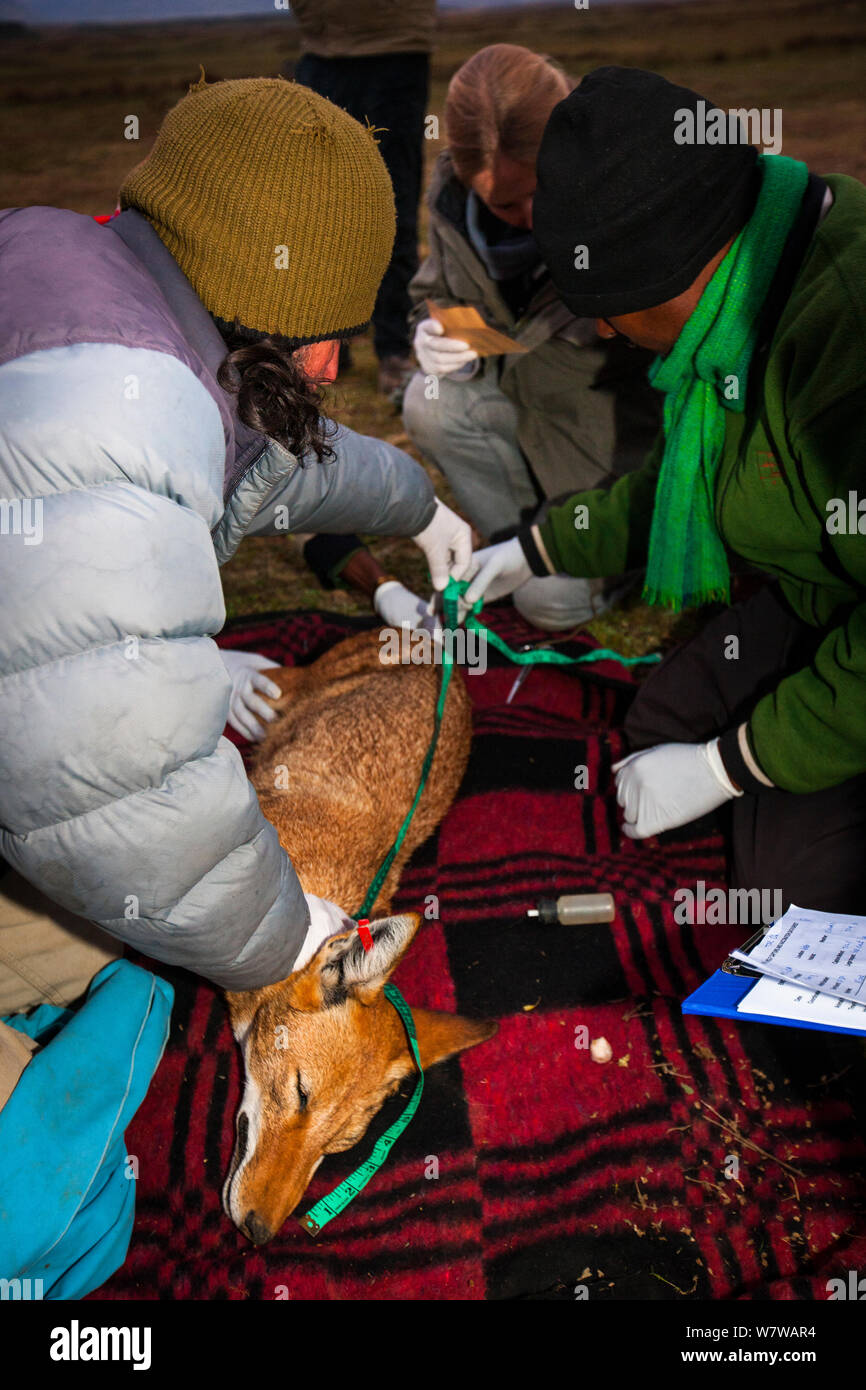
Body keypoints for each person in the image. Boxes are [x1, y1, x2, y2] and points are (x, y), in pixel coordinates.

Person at [0, 75, 472, 997]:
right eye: (323, 335)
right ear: (253, 297)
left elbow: (275, 458)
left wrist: (419, 505)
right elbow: (123, 795)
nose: (336, 368)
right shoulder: (118, 415)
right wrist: (287, 937)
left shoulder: (83, 271)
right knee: (113, 960)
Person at [464, 66, 866, 913]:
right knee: (658, 729)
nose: (603, 328)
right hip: (821, 595)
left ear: (674, 267)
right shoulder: (747, 284)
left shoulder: (842, 347)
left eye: (607, 305)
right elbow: (696, 482)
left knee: (795, 901)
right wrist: (536, 547)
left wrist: (735, 765)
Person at [401, 44, 661, 631]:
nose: (528, 216)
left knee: (546, 605)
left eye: (540, 189)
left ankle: (629, 560)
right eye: (503, 203)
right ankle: (517, 547)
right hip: (521, 423)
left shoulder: (634, 188)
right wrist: (433, 336)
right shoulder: (451, 199)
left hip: (622, 464)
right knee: (428, 402)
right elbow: (432, 291)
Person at [288, 0, 436, 400]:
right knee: (320, 206)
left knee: (392, 200)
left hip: (395, 48)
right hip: (322, 50)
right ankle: (327, 338)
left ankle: (394, 349)